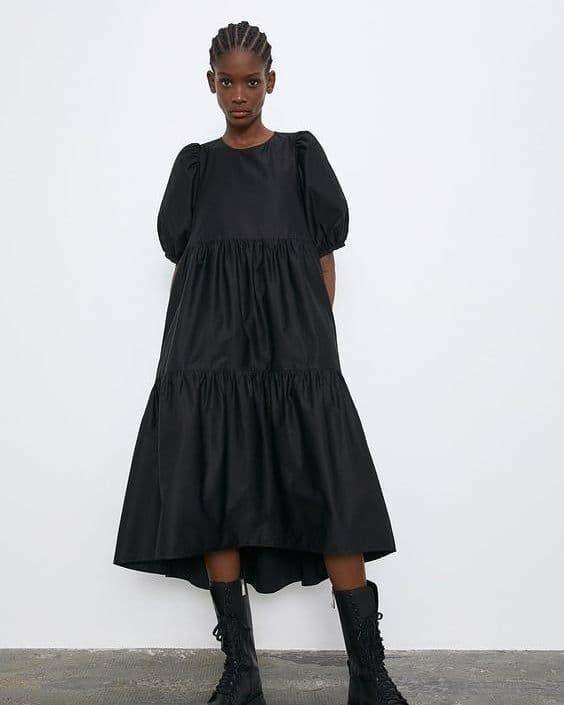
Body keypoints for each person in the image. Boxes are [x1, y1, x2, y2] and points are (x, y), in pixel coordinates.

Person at [113, 19, 409, 705]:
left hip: (295, 356)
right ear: (210, 84)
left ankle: (369, 675)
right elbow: (186, 260)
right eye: (227, 82)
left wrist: (311, 345)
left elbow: (322, 258)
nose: (239, 95)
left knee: (332, 494)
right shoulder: (195, 167)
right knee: (218, 494)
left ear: (271, 82)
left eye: (251, 82)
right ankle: (241, 672)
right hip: (209, 357)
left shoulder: (300, 157)